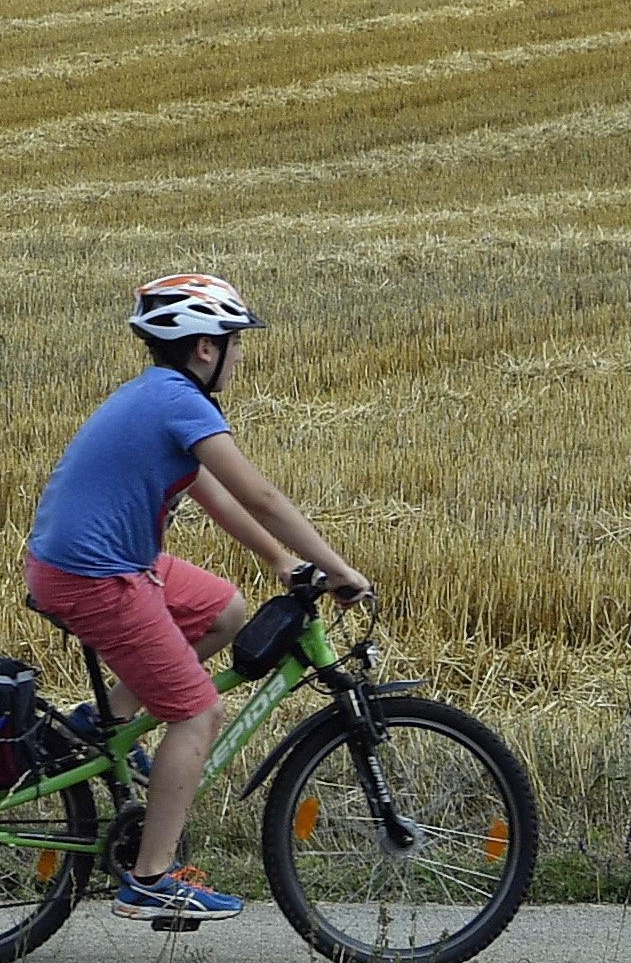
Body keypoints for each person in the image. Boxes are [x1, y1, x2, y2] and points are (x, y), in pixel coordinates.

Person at [23, 272, 371, 924]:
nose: (240, 354)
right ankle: (150, 877)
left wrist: (281, 561)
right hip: (95, 575)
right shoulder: (182, 402)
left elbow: (212, 491)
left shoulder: (161, 395)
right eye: (235, 342)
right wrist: (340, 569)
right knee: (198, 714)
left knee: (224, 612)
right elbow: (262, 496)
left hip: (107, 563)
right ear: (204, 349)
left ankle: (106, 726)